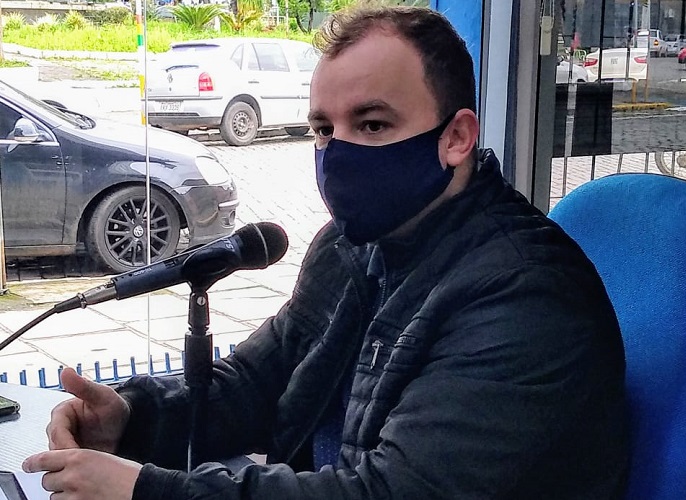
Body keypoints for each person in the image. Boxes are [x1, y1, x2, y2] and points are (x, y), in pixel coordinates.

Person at [23, 6, 629, 499]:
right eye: (323, 130)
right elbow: (258, 381)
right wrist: (133, 418)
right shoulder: (351, 245)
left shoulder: (526, 296)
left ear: (457, 136)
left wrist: (150, 492)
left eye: (372, 124)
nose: (338, 155)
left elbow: (393, 492)